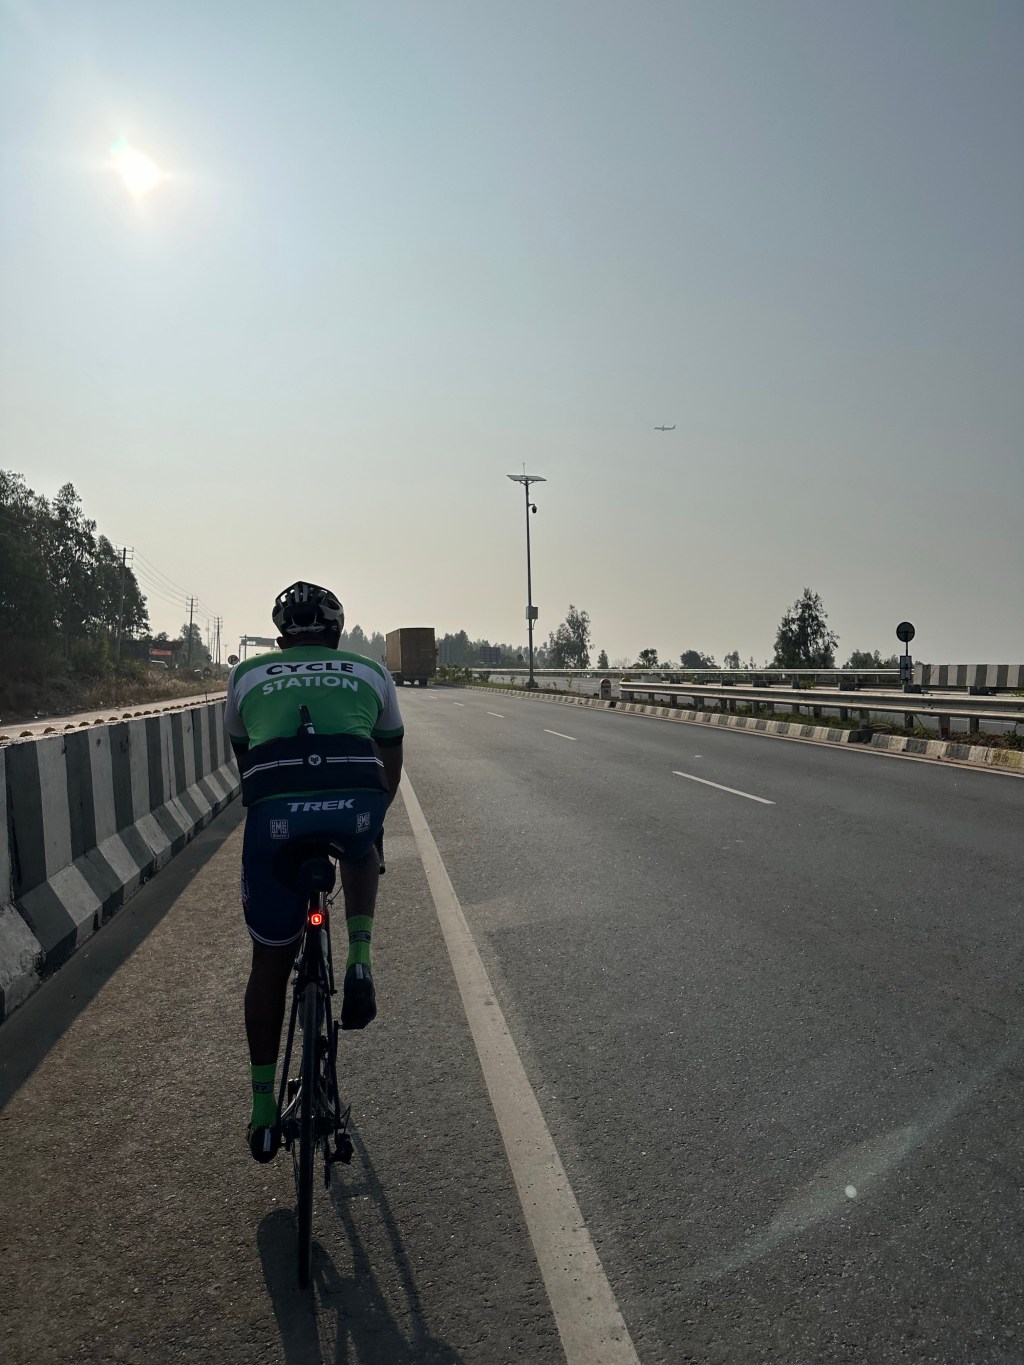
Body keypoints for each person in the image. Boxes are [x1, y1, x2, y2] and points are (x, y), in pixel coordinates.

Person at [224, 582, 404, 1162]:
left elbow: (245, 756)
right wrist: (371, 822)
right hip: (354, 804)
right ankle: (358, 956)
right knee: (361, 840)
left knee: (269, 964)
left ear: (280, 638)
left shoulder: (247, 676)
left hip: (275, 815)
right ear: (336, 633)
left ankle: (260, 1111)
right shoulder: (370, 672)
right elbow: (390, 756)